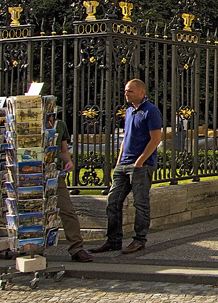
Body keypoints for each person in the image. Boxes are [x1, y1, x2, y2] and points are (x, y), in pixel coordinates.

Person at [90, 79, 162, 255]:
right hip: (124, 164)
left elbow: (156, 139)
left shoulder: (151, 111)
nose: (126, 94)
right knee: (113, 201)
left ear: (141, 92)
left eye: (130, 91)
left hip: (141, 165)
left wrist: (140, 160)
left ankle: (139, 240)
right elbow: (126, 137)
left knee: (140, 203)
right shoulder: (129, 111)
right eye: (125, 91)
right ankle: (113, 240)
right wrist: (119, 160)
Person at [54, 113, 93, 262]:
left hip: (54, 174)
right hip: (31, 174)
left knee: (67, 210)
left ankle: (76, 248)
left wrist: (68, 161)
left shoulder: (59, 125)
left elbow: (63, 150)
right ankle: (32, 248)